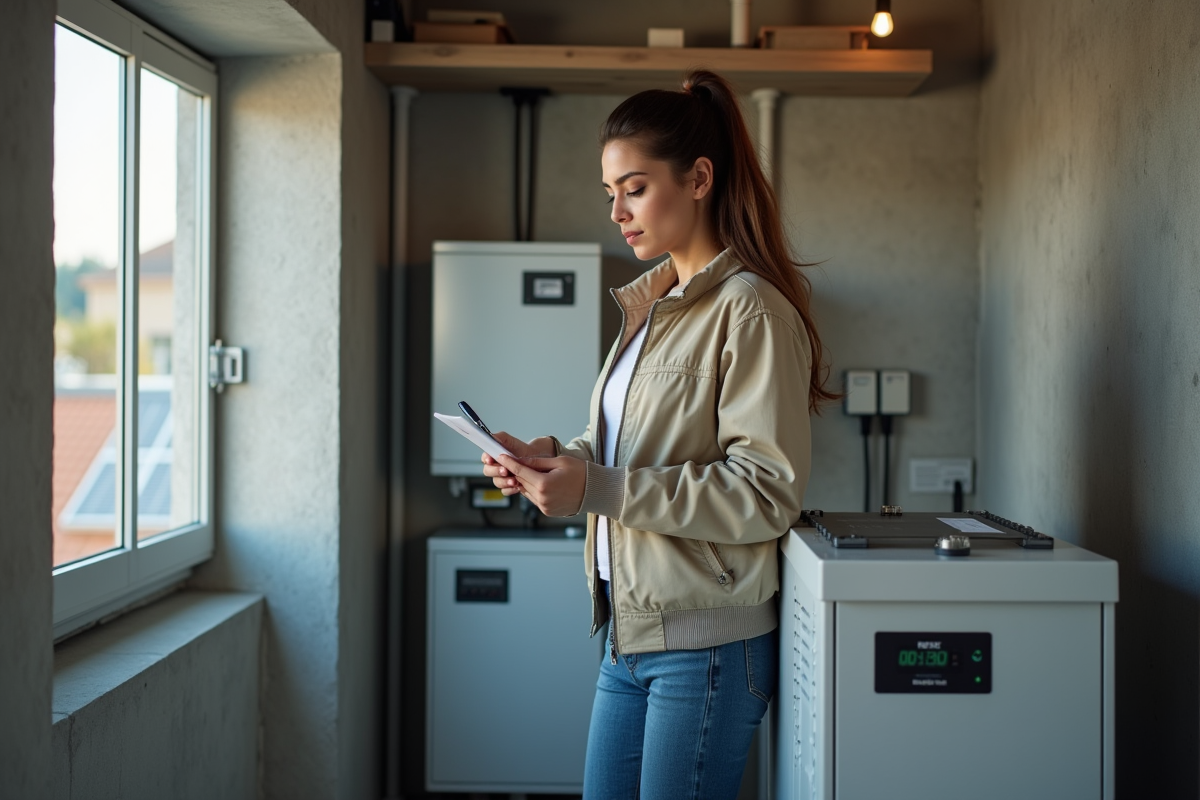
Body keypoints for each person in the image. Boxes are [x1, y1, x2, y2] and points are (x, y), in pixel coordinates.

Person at [481, 69, 836, 799]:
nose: (617, 211)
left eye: (634, 188)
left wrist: (595, 487)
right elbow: (616, 445)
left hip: (707, 651)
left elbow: (764, 494)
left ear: (699, 178)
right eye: (610, 192)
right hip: (627, 638)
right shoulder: (651, 308)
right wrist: (555, 458)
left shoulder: (751, 313)